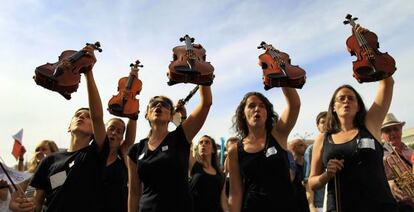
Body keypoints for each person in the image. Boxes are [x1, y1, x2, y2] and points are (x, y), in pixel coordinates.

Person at [10, 46, 109, 212]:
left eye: (87, 116)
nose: (82, 117)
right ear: (68, 127)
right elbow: (37, 204)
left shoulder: (96, 153)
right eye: (78, 115)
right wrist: (18, 206)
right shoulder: (49, 161)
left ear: (95, 131)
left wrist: (88, 72)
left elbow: (98, 116)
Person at [308, 69, 398, 210]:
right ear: (333, 107)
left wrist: (373, 58)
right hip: (341, 206)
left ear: (358, 106)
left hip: (380, 206)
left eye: (351, 98)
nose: (346, 101)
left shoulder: (370, 126)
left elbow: (387, 84)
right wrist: (327, 174)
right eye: (341, 98)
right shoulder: (322, 138)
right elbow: (312, 182)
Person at [127, 85, 212, 212]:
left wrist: (203, 78)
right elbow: (134, 192)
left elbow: (206, 103)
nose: (158, 106)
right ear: (146, 115)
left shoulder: (181, 137)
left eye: (165, 104)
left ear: (171, 116)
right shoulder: (135, 150)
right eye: (154, 104)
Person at [228, 87, 301, 212]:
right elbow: (235, 193)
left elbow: (294, 105)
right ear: (243, 114)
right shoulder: (234, 150)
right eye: (251, 106)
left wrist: (282, 73)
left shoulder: (278, 134)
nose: (257, 109)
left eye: (262, 106)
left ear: (267, 113)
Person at [381, 113, 414, 211]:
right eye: (387, 130)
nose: (392, 133)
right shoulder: (379, 156)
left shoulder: (411, 151)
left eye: (396, 129)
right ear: (381, 135)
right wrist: (388, 183)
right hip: (399, 206)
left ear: (401, 130)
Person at [103, 117, 136, 212]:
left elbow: (130, 140)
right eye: (111, 129)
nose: (114, 133)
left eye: (119, 131)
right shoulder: (88, 155)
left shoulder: (124, 156)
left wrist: (132, 114)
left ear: (122, 137)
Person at [189, 135, 228, 212]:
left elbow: (223, 200)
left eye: (207, 142)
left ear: (213, 150)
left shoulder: (221, 175)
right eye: (200, 143)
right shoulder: (194, 165)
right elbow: (184, 142)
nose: (203, 144)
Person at [303, 111, 327, 212]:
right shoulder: (312, 149)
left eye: (329, 121)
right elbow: (307, 180)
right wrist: (312, 205)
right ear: (317, 126)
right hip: (320, 204)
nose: (326, 125)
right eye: (322, 122)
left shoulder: (340, 145)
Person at [289, 138, 310, 212]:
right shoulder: (290, 165)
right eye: (301, 145)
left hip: (307, 200)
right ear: (293, 148)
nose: (305, 146)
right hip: (295, 201)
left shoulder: (307, 165)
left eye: (304, 144)